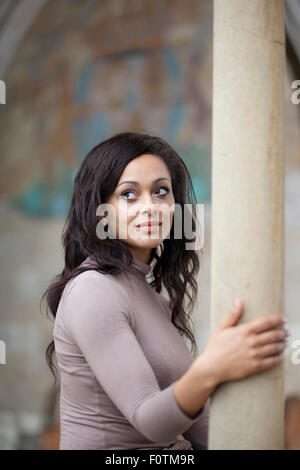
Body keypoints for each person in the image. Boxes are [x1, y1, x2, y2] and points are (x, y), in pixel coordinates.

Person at [41, 131, 288, 450]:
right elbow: (152, 421)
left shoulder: (155, 301)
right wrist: (212, 367)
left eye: (161, 191)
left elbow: (202, 426)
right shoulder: (93, 290)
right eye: (129, 194)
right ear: (100, 208)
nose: (151, 207)